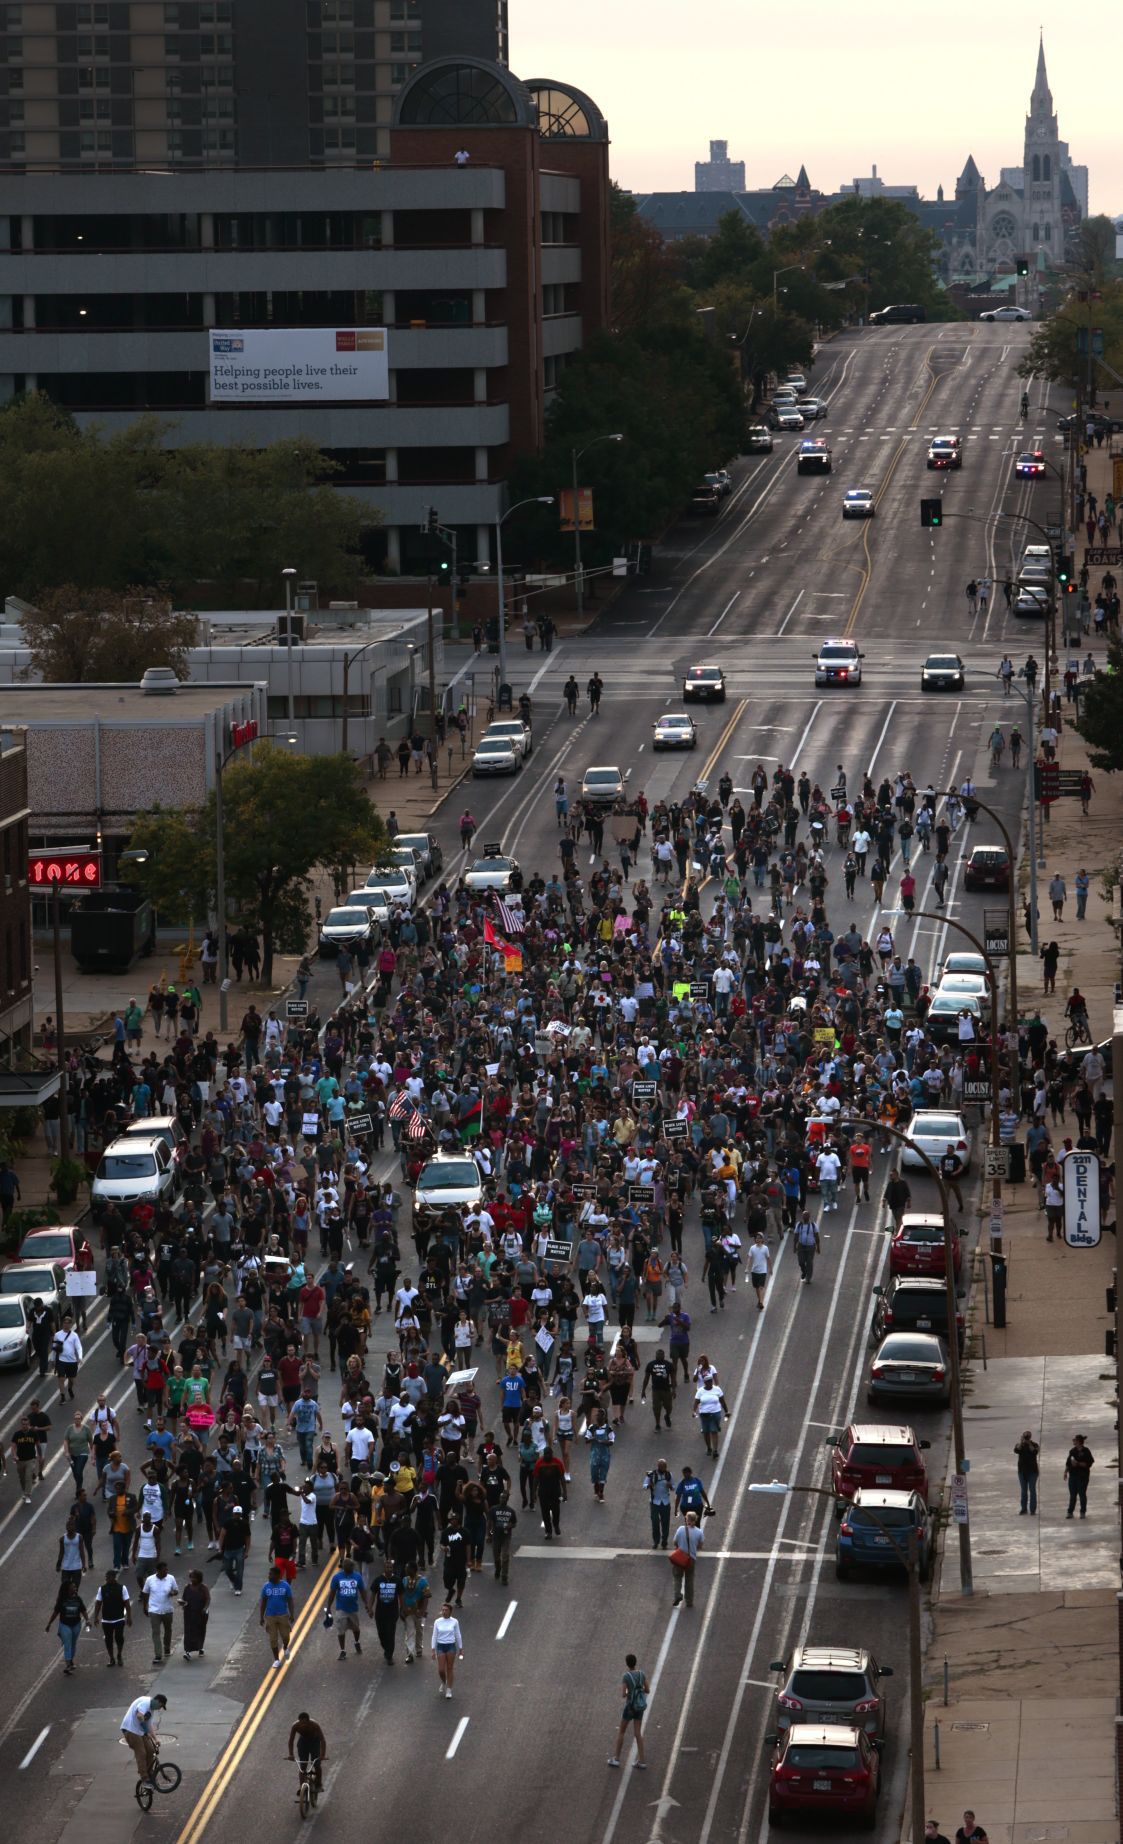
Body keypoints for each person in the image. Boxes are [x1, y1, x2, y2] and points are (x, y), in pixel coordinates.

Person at [608, 1652, 649, 1769]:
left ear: (627, 1664)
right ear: (635, 1662)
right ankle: (642, 1761)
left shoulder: (626, 1676)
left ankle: (616, 1758)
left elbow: (623, 1694)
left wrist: (628, 1692)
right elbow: (648, 1690)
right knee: (637, 1733)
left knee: (622, 1731)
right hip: (639, 1707)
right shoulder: (642, 1674)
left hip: (630, 1706)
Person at [327, 1554, 371, 1659]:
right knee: (341, 1630)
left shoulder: (357, 1577)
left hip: (353, 1608)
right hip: (341, 1608)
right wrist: (328, 1607)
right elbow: (332, 1592)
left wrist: (367, 1604)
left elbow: (362, 1591)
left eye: (351, 1567)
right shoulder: (337, 1577)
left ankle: (356, 1642)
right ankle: (342, 1650)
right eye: (348, 1567)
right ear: (343, 1567)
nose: (350, 1569)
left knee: (356, 1628)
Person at [120, 1691, 167, 1785]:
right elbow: (139, 1715)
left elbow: (149, 1726)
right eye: (160, 1706)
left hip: (139, 1731)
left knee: (151, 1750)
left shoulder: (151, 1711)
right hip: (130, 1729)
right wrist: (145, 1730)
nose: (159, 1708)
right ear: (157, 1701)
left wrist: (155, 1739)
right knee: (141, 1752)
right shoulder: (146, 1702)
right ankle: (145, 1779)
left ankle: (149, 1774)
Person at [46, 1576, 89, 1674]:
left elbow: (83, 1610)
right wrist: (49, 1623)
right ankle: (68, 1664)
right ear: (68, 1589)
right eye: (73, 1587)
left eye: (75, 1587)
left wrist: (87, 1620)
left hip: (76, 1624)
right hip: (65, 1625)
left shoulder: (78, 1599)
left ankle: (70, 1660)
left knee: (73, 1643)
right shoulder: (62, 1600)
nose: (75, 1588)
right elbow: (55, 1613)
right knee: (68, 1643)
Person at [142, 1558, 179, 1665]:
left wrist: (173, 1593)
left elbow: (176, 1590)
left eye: (167, 1570)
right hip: (154, 1610)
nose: (166, 1572)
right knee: (156, 1632)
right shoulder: (150, 1580)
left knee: (168, 1630)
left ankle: (167, 1647)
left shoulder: (171, 1578)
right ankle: (158, 1655)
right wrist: (145, 1606)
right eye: (164, 1570)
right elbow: (145, 1593)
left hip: (167, 1610)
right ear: (158, 1571)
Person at [259, 1564, 296, 1668]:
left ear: (278, 1576)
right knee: (273, 1639)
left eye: (271, 1574)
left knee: (285, 1635)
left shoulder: (285, 1586)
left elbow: (290, 1600)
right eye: (269, 1574)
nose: (268, 1576)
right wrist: (261, 1617)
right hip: (270, 1616)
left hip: (283, 1615)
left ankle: (285, 1647)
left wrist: (292, 1614)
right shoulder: (266, 1586)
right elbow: (263, 1602)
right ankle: (276, 1659)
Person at [93, 1566, 132, 1666]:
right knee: (108, 1639)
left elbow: (127, 1603)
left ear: (114, 1577)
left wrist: (129, 1617)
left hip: (119, 1618)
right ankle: (111, 1658)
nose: (106, 1579)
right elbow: (98, 1603)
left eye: (108, 1577)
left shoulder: (122, 1588)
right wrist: (96, 1617)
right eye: (106, 1577)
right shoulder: (102, 1589)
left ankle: (119, 1654)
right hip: (106, 1620)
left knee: (119, 1638)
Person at [670, 1508, 704, 1607]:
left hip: (679, 1558)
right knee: (689, 1579)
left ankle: (677, 1595)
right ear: (695, 1520)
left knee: (677, 1577)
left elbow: (675, 1542)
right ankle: (689, 1601)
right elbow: (700, 1546)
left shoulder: (680, 1529)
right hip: (691, 1559)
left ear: (687, 1519)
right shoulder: (699, 1532)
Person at [287, 1712, 327, 1797]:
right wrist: (291, 1754)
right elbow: (291, 1741)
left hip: (314, 1742)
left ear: (308, 1721)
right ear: (299, 1721)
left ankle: (318, 1784)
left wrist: (322, 1755)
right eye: (301, 1723)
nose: (303, 1725)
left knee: (316, 1764)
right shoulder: (295, 1726)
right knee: (302, 1766)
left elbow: (322, 1740)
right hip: (303, 1742)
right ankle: (302, 1787)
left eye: (305, 1723)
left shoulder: (315, 1725)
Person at [430, 1600, 463, 1698]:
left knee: (449, 1668)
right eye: (442, 1610)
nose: (444, 1612)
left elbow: (458, 1635)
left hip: (451, 1646)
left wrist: (461, 1648)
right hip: (440, 1646)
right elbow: (434, 1636)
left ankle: (449, 1690)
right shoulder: (437, 1622)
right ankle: (444, 1682)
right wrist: (433, 1649)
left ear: (450, 1611)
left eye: (446, 1610)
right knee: (441, 1670)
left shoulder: (454, 1621)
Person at [1064, 1433, 1093, 1518]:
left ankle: (1082, 1512)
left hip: (1082, 1476)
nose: (1073, 1441)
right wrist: (1065, 1472)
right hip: (1073, 1475)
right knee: (1072, 1495)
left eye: (1075, 1440)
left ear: (1079, 1442)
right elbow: (1068, 1463)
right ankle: (1070, 1512)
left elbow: (1088, 1463)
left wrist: (1078, 1464)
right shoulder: (1072, 1451)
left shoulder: (1086, 1451)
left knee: (1082, 1494)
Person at [1014, 1431, 1039, 1516]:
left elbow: (1035, 1452)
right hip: (1022, 1472)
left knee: (1032, 1490)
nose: (1026, 1438)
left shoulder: (1034, 1444)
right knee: (1024, 1491)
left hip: (1032, 1472)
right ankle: (1023, 1508)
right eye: (1025, 1437)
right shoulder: (1019, 1445)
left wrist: (1029, 1444)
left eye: (1027, 1437)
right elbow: (1016, 1450)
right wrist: (1021, 1443)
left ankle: (1032, 1509)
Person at [793, 1211, 820, 1282]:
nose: (805, 1217)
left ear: (809, 1217)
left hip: (811, 1246)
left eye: (806, 1216)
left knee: (809, 1262)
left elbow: (817, 1236)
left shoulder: (813, 1225)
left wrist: (818, 1247)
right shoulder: (799, 1225)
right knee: (801, 1261)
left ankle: (808, 1278)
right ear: (802, 1217)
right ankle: (804, 1271)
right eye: (804, 1216)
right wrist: (794, 1246)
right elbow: (796, 1236)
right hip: (801, 1246)